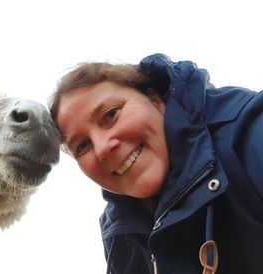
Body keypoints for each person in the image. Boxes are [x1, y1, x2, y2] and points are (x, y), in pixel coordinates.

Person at [48, 53, 263, 274]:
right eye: (82, 146)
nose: (102, 148)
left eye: (111, 114)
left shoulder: (250, 134)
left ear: (155, 100)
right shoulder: (121, 237)